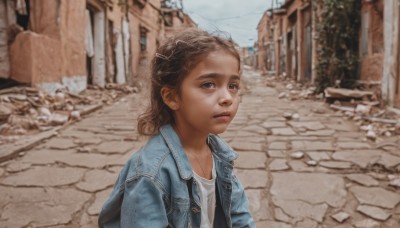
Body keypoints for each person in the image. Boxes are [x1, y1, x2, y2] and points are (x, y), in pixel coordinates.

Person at [98, 28, 255, 228]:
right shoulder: (149, 174)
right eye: (208, 84)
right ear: (172, 97)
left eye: (233, 85)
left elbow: (239, 217)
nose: (227, 98)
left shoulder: (220, 155)